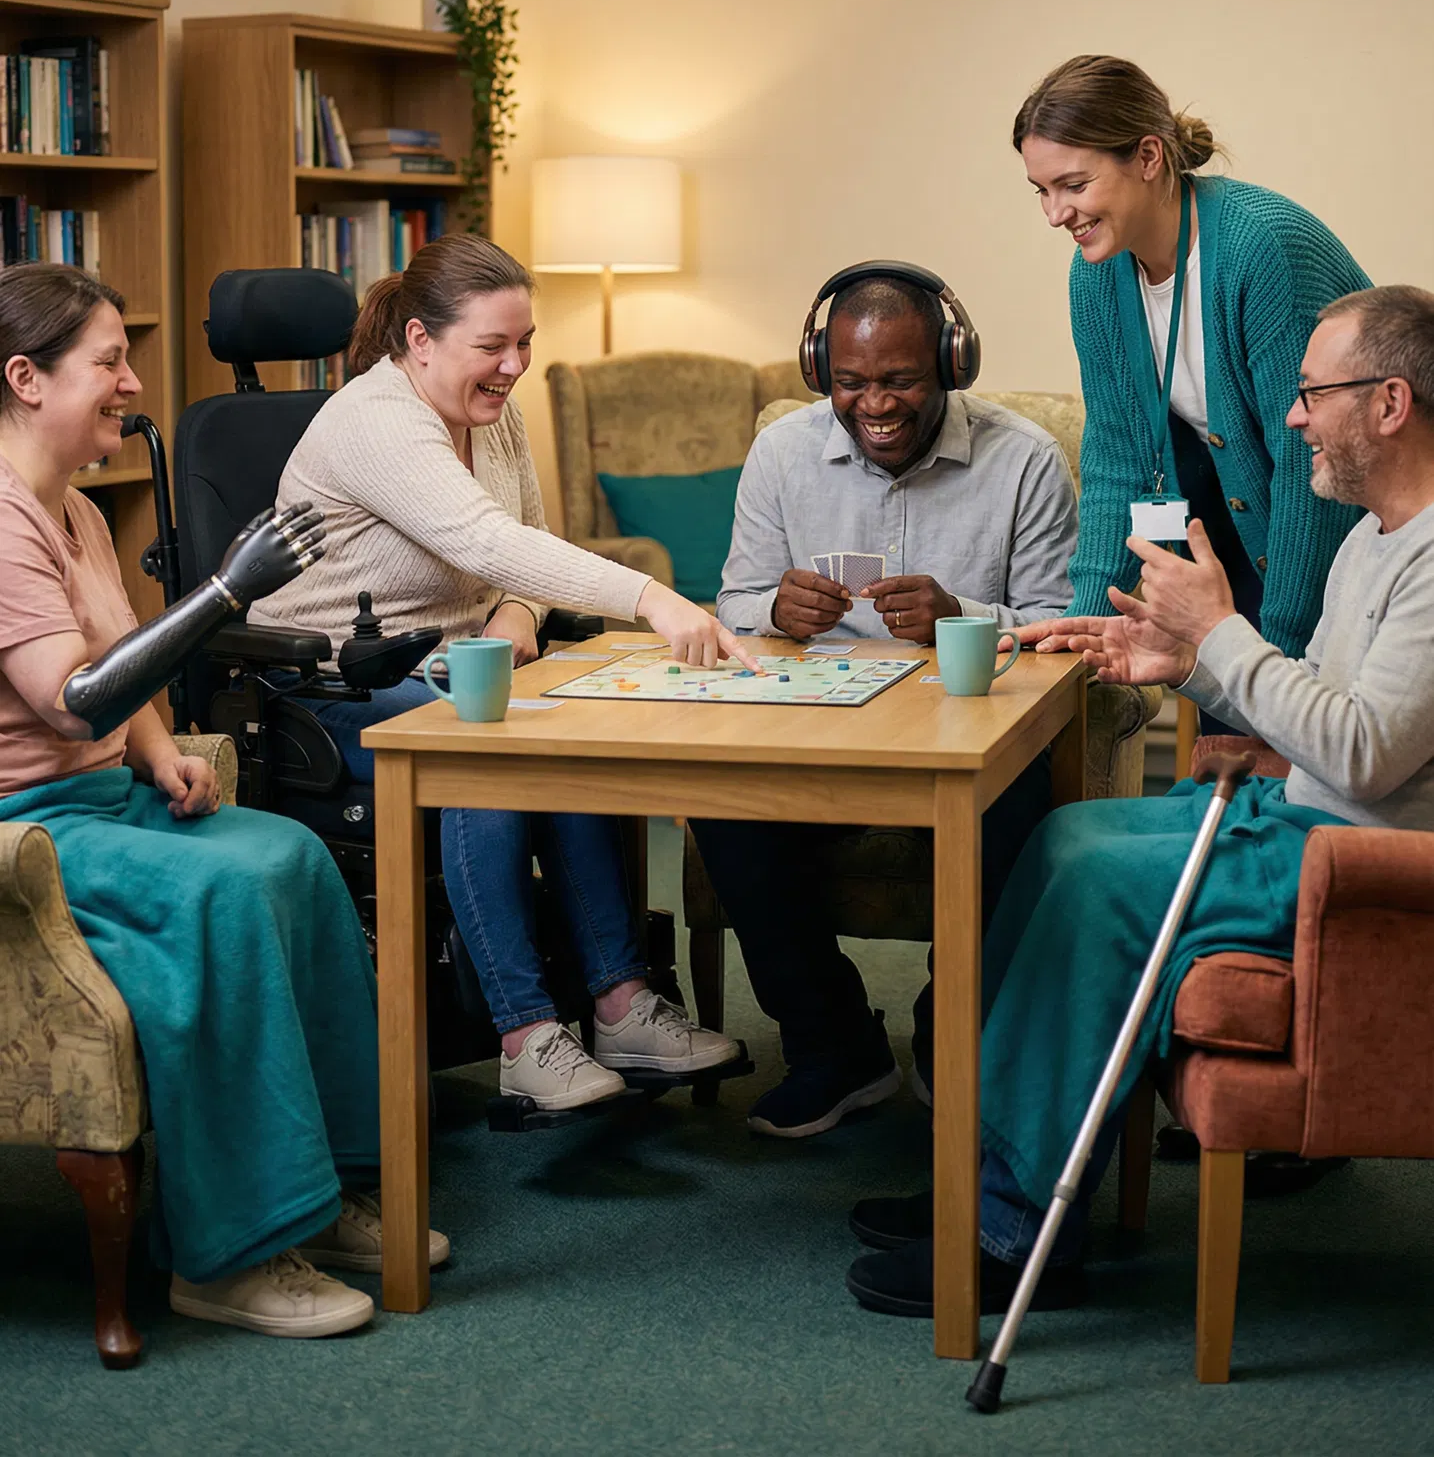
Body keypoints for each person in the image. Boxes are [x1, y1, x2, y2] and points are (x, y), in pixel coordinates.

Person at [845, 285, 1434, 1319]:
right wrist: (1188, 665)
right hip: (1305, 818)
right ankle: (980, 1172)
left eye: (1311, 394)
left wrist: (1221, 635)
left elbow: (1366, 752)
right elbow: (1327, 717)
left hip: (1361, 865)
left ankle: (1011, 1228)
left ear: (1390, 403)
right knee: (1065, 836)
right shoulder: (1379, 534)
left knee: (1101, 886)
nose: (1290, 417)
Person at [0, 263, 448, 1341]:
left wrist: (156, 752)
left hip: (103, 800)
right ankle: (231, 1256)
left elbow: (118, 671)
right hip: (28, 835)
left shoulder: (77, 514)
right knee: (229, 890)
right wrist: (225, 589)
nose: (131, 381)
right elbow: (70, 704)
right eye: (108, 361)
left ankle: (325, 1188)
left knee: (291, 856)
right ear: (25, 377)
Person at [251, 233, 743, 1111]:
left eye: (525, 344)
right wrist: (654, 599)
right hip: (322, 690)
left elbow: (524, 560)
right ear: (419, 340)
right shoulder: (376, 418)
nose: (513, 366)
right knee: (486, 757)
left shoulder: (492, 409)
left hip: (451, 672)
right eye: (493, 346)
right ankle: (525, 1035)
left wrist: (516, 621)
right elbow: (487, 541)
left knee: (566, 735)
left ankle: (621, 1004)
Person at [691, 263, 1078, 1138]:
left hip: (972, 736)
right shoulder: (783, 451)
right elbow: (736, 602)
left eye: (901, 380)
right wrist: (772, 610)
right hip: (819, 730)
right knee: (721, 801)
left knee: (1017, 805)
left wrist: (961, 617)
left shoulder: (1024, 460)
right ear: (822, 372)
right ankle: (834, 1048)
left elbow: (1061, 628)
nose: (877, 405)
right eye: (853, 383)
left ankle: (955, 1032)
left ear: (950, 361)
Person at [1012, 56, 1370, 708]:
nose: (1055, 213)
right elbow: (1120, 458)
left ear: (1148, 157)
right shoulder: (1095, 276)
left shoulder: (1260, 248)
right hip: (1240, 529)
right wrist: (1085, 630)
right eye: (1041, 189)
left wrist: (1280, 664)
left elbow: (1306, 469)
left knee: (1281, 764)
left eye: (1072, 184)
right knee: (1227, 773)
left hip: (1343, 536)